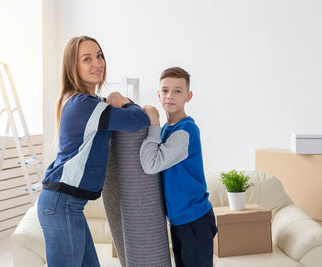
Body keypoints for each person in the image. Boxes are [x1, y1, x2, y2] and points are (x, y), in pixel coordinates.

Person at [37, 36, 150, 267]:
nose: (97, 63)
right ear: (73, 67)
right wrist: (124, 99)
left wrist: (114, 99)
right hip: (62, 203)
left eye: (99, 56)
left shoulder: (91, 103)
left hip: (69, 205)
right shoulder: (84, 105)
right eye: (87, 59)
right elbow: (138, 119)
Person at [140, 67, 217, 267]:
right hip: (180, 220)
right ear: (158, 95)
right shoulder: (167, 129)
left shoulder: (186, 131)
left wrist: (153, 124)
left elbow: (151, 164)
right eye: (165, 90)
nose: (170, 96)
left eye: (178, 91)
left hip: (195, 220)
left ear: (188, 96)